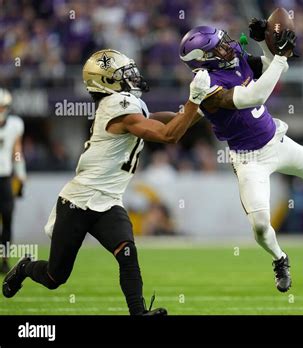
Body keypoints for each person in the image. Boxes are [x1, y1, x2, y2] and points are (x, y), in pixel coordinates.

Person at [2, 49, 210, 315]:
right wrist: (195, 100)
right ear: (106, 81)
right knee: (55, 277)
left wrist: (201, 111)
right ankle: (25, 268)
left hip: (108, 201)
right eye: (124, 74)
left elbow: (164, 120)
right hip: (79, 199)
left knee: (127, 254)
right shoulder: (116, 107)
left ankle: (138, 313)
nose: (133, 76)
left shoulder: (127, 105)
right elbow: (169, 135)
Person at [179, 21, 303, 292]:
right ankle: (280, 259)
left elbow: (273, 63)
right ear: (204, 59)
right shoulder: (208, 87)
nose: (227, 47)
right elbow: (254, 96)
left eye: (224, 41)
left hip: (277, 141)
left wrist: (266, 40)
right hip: (250, 160)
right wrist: (280, 59)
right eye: (219, 46)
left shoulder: (236, 60)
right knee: (260, 225)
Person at [0, 88, 27, 273]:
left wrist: (20, 172)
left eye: (2, 107)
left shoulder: (15, 124)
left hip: (5, 177)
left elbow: (16, 151)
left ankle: (3, 259)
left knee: (7, 218)